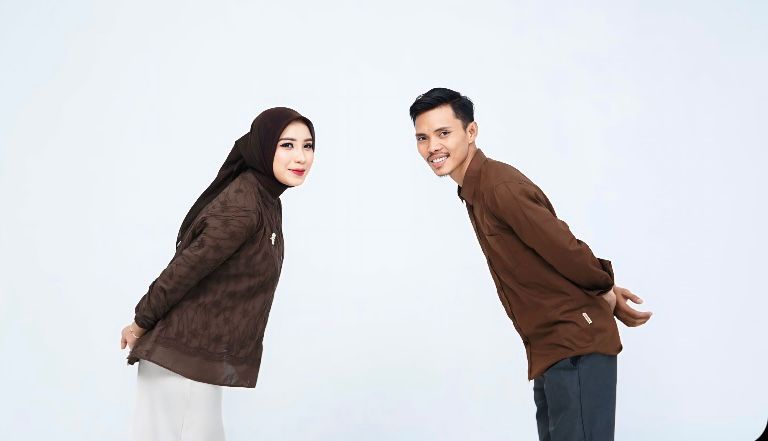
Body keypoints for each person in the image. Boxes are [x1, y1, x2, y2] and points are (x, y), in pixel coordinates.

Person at [408, 88, 652, 441]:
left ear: (471, 132)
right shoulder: (476, 191)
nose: (433, 146)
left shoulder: (498, 186)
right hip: (551, 350)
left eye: (443, 133)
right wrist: (605, 289)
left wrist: (604, 288)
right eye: (423, 137)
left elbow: (565, 248)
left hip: (576, 344)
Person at [119, 107, 316, 441]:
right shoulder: (244, 204)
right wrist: (140, 322)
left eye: (307, 146)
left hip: (194, 360)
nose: (301, 157)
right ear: (263, 146)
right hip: (178, 364)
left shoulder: (266, 199)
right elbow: (183, 270)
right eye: (287, 145)